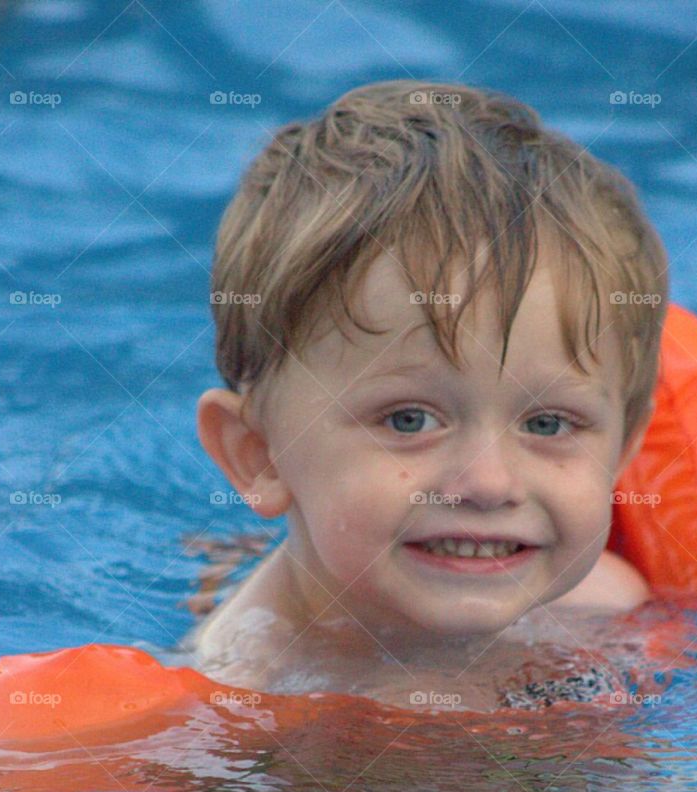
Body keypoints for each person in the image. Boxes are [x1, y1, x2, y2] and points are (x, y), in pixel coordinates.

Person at [190, 78, 668, 701]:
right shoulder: (248, 696)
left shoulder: (606, 610)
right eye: (409, 420)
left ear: (624, 446)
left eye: (547, 424)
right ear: (257, 453)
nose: (489, 484)